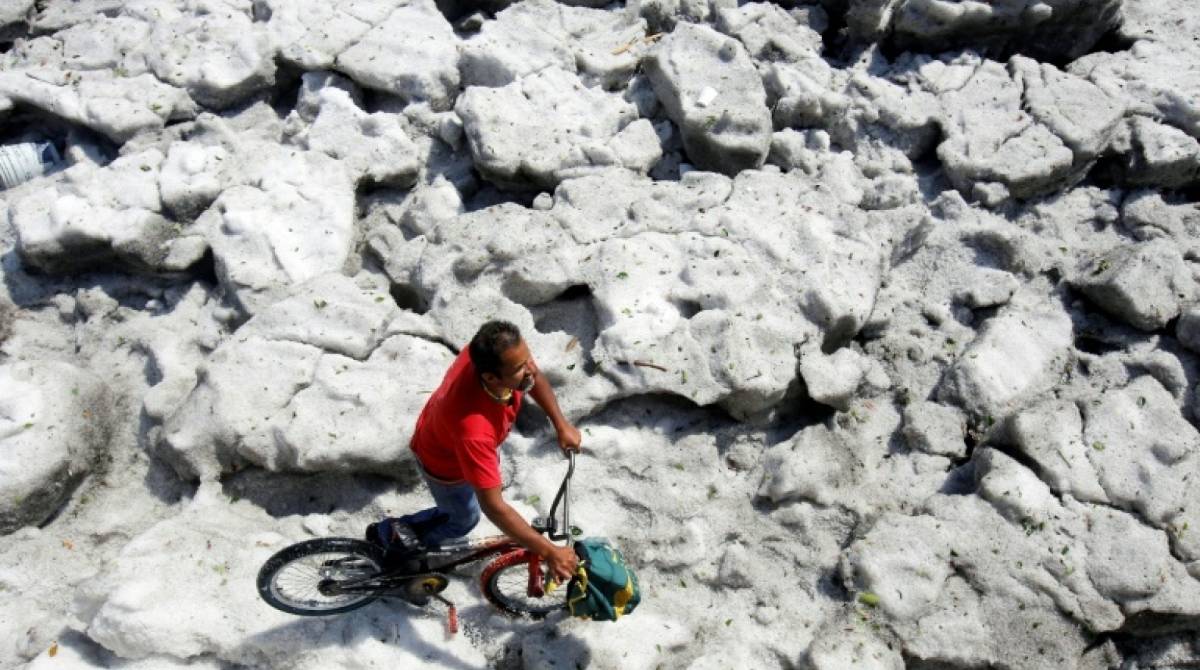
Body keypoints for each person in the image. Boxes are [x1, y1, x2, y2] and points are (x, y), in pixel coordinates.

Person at [398, 320, 581, 582]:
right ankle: (403, 541)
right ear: (490, 378)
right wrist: (549, 551)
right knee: (463, 518)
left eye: (528, 359)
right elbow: (493, 507)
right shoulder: (474, 430)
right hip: (444, 464)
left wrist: (561, 424)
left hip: (449, 434)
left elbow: (534, 377)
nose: (530, 369)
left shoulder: (493, 358)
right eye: (520, 368)